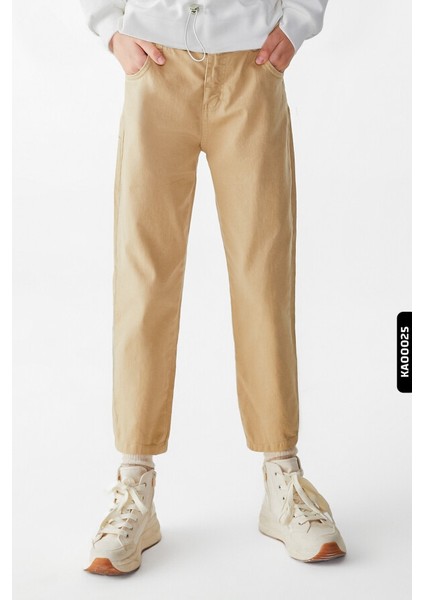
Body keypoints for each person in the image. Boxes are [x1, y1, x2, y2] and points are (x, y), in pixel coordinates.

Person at [79, 0, 346, 575]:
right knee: (144, 279)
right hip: (154, 63)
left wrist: (299, 19)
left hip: (252, 64)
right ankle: (134, 485)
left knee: (264, 274)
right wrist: (109, 28)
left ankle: (282, 479)